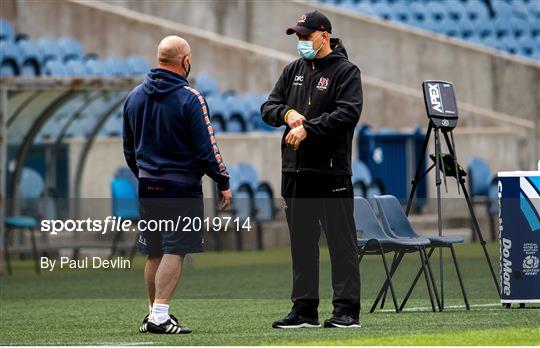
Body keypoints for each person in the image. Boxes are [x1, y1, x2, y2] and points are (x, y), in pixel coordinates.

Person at [123, 35, 232, 334]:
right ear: (185, 61)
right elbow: (207, 147)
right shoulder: (191, 98)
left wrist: (146, 175)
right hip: (181, 188)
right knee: (175, 249)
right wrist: (223, 180)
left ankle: (152, 315)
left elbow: (128, 149)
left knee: (154, 251)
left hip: (148, 186)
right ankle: (159, 316)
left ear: (159, 59)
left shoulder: (133, 97)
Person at [261, 10, 363, 328]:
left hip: (331, 173)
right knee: (302, 246)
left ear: (323, 35)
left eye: (306, 35)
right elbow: (268, 107)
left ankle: (346, 310)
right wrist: (288, 113)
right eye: (298, 36)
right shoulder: (293, 70)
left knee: (340, 243)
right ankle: (304, 310)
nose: (302, 41)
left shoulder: (347, 72)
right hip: (295, 173)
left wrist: (309, 129)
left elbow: (348, 113)